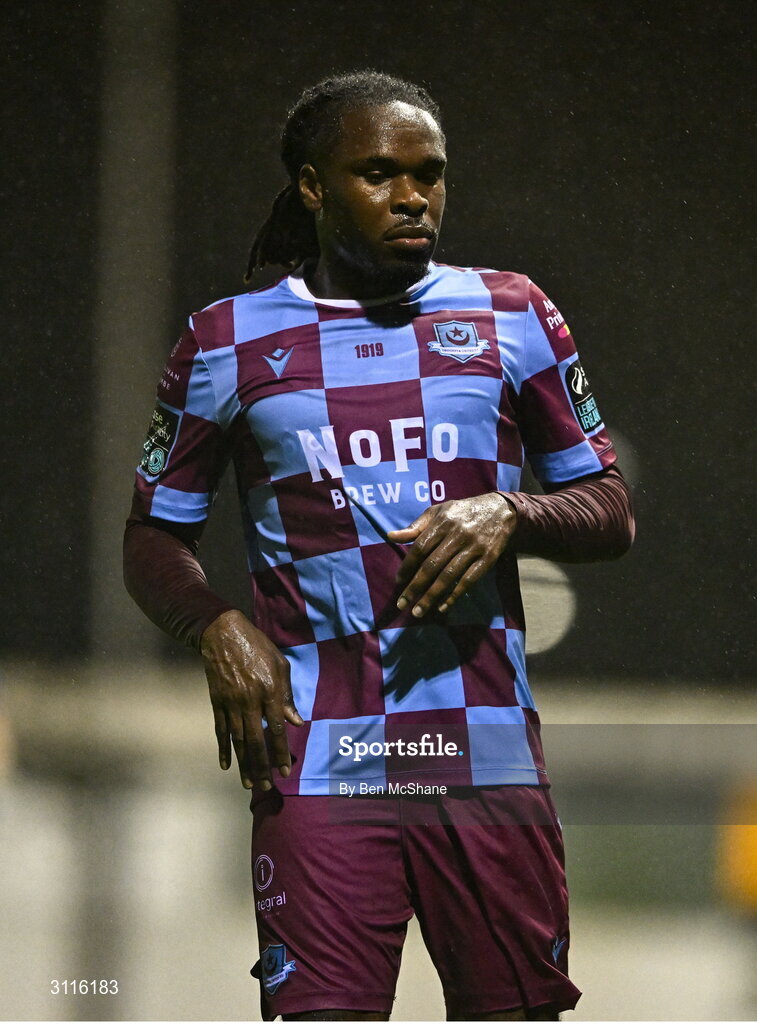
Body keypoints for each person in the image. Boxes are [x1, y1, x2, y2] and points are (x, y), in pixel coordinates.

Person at [123, 71, 634, 1022]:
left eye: (429, 175)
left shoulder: (510, 312)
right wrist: (214, 624)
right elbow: (154, 535)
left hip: (482, 760)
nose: (414, 198)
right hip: (318, 758)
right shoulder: (224, 343)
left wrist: (512, 512)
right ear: (314, 187)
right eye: (379, 174)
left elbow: (608, 505)